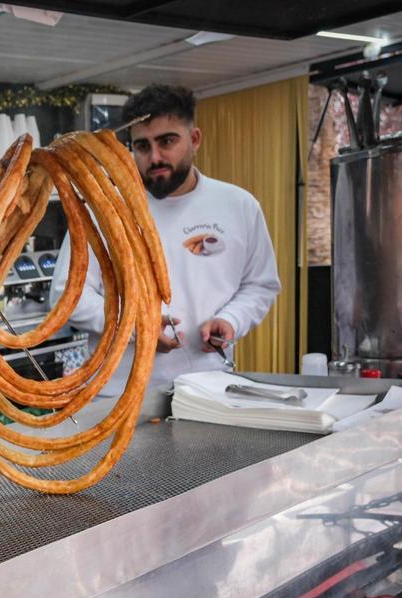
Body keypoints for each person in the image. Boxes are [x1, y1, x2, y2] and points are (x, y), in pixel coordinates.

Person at [50, 84, 281, 395]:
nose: (154, 157)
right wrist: (136, 327)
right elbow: (68, 296)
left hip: (208, 387)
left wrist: (231, 320)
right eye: (142, 146)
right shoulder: (104, 211)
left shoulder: (238, 206)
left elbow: (260, 284)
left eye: (167, 141)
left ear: (194, 139)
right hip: (117, 392)